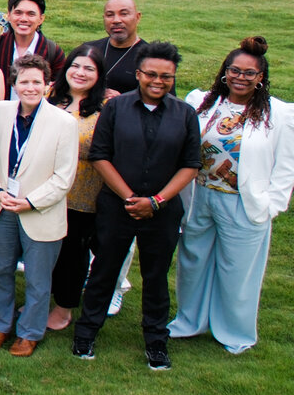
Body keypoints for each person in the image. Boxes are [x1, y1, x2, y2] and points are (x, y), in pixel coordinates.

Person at [169, 37, 294, 355]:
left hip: (243, 202)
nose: (240, 78)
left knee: (237, 269)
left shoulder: (281, 114)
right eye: (234, 70)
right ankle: (189, 321)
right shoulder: (202, 102)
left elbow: (287, 166)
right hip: (200, 195)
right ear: (224, 73)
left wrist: (272, 205)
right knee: (193, 261)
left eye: (249, 73)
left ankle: (234, 331)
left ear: (260, 78)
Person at [73, 41, 203, 370]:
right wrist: (130, 197)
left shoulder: (185, 114)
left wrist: (156, 201)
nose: (158, 81)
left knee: (156, 277)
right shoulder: (116, 108)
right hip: (117, 207)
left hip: (162, 210)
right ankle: (86, 333)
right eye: (151, 74)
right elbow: (100, 154)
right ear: (139, 73)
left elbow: (190, 164)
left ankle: (156, 342)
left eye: (166, 76)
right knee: (103, 271)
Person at [0, 58, 79, 356]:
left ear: (48, 84)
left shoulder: (64, 122)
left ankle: (29, 332)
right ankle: (0, 325)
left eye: (37, 82)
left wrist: (30, 201)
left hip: (40, 211)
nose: (30, 87)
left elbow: (64, 177)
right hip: (2, 206)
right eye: (24, 81)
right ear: (14, 84)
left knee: (38, 277)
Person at [46, 45, 108, 332]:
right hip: (43, 189)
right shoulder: (49, 97)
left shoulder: (105, 109)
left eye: (89, 68)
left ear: (99, 75)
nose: (80, 73)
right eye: (76, 66)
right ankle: (42, 298)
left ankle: (63, 308)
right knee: (46, 249)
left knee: (72, 253)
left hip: (80, 193)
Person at [0, 0, 65, 81]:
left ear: (41, 19)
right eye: (18, 13)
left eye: (31, 14)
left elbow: (58, 87)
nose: (24, 19)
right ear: (9, 16)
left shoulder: (53, 52)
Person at [82, 0, 147, 96]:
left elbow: (164, 103)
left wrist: (122, 101)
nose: (116, 20)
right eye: (110, 15)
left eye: (124, 14)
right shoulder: (88, 50)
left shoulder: (152, 57)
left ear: (137, 17)